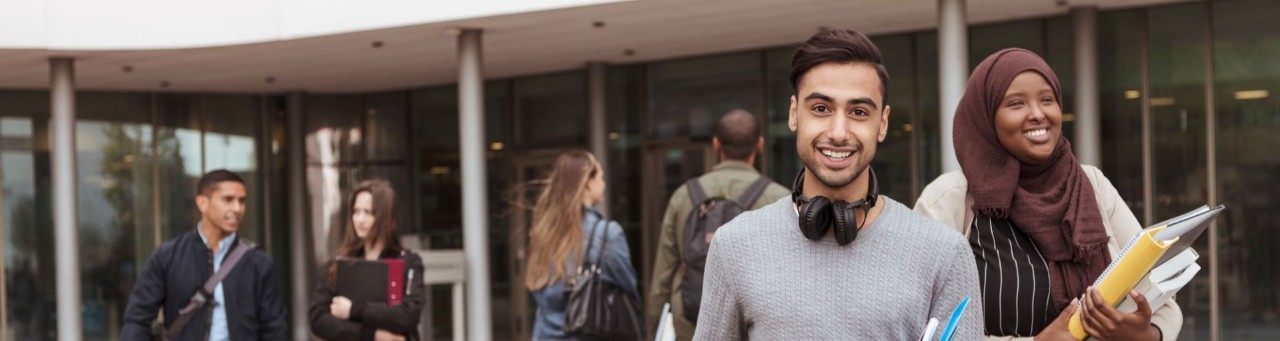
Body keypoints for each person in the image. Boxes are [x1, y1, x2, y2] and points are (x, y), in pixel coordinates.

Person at [692, 29, 982, 340]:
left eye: (859, 112)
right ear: (793, 114)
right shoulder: (734, 246)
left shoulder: (944, 253)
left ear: (882, 124)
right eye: (821, 109)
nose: (839, 132)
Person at [914, 48, 1182, 340]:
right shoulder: (950, 199)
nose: (1038, 114)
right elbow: (924, 325)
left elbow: (1161, 295)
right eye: (1016, 104)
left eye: (1047, 100)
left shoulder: (1090, 184)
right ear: (986, 117)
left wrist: (1145, 334)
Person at [644, 109, 789, 341]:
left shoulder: (684, 196)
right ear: (760, 145)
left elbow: (662, 274)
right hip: (757, 325)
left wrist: (653, 328)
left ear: (716, 144)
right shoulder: (780, 199)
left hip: (691, 320)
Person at [122, 169, 287, 340]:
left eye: (242, 201)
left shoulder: (259, 263)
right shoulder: (167, 256)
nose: (237, 208)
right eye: (228, 199)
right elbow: (137, 318)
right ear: (202, 203)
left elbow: (274, 327)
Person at [526, 149, 638, 340]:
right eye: (600, 176)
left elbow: (539, 299)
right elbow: (629, 290)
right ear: (587, 181)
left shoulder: (545, 231)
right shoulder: (608, 234)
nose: (603, 183)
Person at [310, 179, 426, 341]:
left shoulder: (408, 262)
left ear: (386, 216)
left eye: (369, 212)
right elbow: (318, 319)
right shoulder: (340, 264)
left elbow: (409, 314)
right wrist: (372, 335)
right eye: (356, 212)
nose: (360, 219)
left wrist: (353, 310)